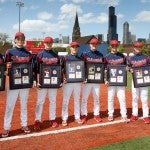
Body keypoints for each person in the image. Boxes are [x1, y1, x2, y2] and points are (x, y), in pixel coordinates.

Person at [2, 32, 33, 138]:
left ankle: (24, 125)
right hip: (13, 83)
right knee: (10, 106)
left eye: (22, 39)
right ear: (15, 40)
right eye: (18, 39)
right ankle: (6, 127)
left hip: (24, 82)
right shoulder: (9, 52)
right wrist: (6, 71)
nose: (20, 41)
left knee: (24, 105)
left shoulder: (28, 53)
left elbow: (30, 69)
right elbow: (4, 67)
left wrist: (31, 79)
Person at [34, 36, 61, 131]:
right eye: (47, 42)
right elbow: (35, 69)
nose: (48, 44)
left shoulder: (56, 55)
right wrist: (36, 81)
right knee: (40, 101)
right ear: (44, 43)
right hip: (42, 82)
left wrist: (59, 82)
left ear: (52, 44)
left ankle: (52, 118)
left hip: (53, 82)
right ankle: (37, 120)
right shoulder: (39, 55)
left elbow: (58, 70)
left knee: (53, 101)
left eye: (50, 43)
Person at [105, 40, 130, 123]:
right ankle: (110, 114)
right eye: (113, 46)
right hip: (111, 81)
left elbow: (128, 66)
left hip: (120, 81)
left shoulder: (122, 56)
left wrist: (127, 68)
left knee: (122, 98)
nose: (114, 47)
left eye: (116, 46)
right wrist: (105, 79)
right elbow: (104, 69)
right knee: (110, 98)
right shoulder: (107, 57)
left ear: (117, 46)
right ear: (110, 46)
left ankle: (123, 115)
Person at [81, 37, 105, 123]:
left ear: (97, 45)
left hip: (96, 80)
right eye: (92, 44)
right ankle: (84, 114)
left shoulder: (101, 55)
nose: (94, 45)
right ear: (90, 45)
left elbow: (103, 67)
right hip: (87, 80)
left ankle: (96, 114)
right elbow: (81, 67)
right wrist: (83, 77)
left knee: (96, 97)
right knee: (84, 98)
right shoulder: (85, 54)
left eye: (96, 44)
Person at [61, 41, 83, 126]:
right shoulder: (65, 58)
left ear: (77, 48)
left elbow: (82, 70)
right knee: (66, 100)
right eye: (73, 47)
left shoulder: (80, 59)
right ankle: (64, 118)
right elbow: (61, 69)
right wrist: (63, 78)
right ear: (70, 48)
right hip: (68, 83)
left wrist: (83, 78)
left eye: (76, 47)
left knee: (77, 99)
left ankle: (77, 116)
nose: (74, 48)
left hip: (77, 82)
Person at [128, 41, 150, 124]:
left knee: (144, 99)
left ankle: (146, 115)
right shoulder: (130, 58)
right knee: (135, 98)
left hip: (144, 80)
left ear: (141, 48)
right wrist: (129, 69)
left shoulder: (146, 57)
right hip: (135, 81)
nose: (138, 48)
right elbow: (129, 67)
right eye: (136, 47)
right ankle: (134, 114)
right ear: (134, 47)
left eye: (139, 47)